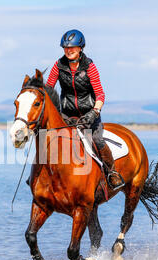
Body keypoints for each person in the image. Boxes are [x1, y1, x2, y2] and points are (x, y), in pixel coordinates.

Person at [45, 29, 124, 190]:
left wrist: (94, 112)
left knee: (97, 140)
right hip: (66, 115)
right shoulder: (58, 66)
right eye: (66, 47)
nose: (69, 50)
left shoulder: (90, 67)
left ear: (81, 47)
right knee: (45, 138)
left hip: (89, 115)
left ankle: (112, 173)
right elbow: (49, 89)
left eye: (72, 47)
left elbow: (100, 94)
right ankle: (40, 175)